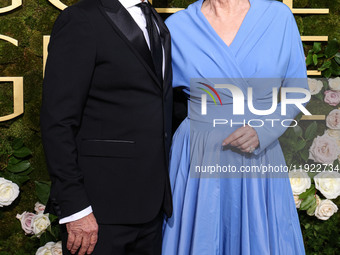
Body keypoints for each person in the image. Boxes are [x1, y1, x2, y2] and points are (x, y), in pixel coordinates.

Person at [162, 0, 309, 254]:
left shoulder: (278, 17)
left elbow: (298, 92)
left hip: (258, 155)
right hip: (198, 153)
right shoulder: (178, 26)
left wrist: (263, 130)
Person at [40, 0, 173, 254]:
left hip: (150, 207)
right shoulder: (81, 19)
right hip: (98, 210)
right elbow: (57, 121)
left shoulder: (155, 21)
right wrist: (75, 207)